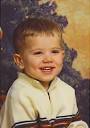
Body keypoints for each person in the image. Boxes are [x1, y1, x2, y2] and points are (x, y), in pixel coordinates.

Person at [0, 17, 88, 128]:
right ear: (20, 60)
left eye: (54, 51)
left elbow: (75, 124)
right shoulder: (20, 94)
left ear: (62, 55)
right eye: (38, 53)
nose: (48, 59)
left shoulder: (67, 91)